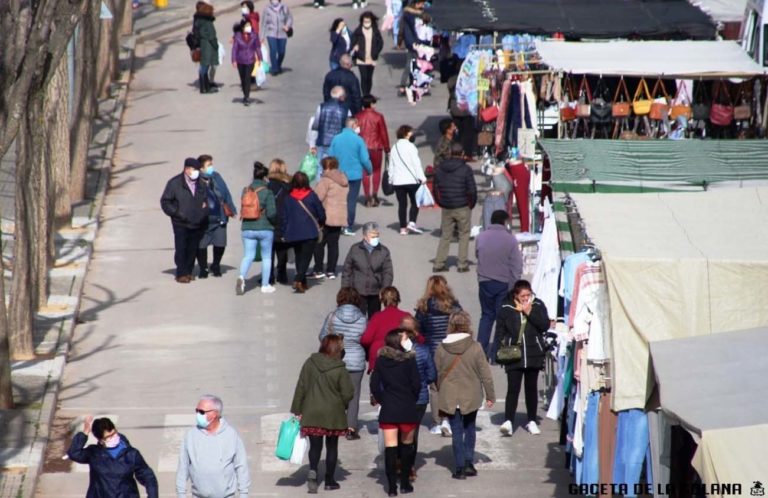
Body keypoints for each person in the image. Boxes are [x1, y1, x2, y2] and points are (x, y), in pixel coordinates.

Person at [434, 311, 496, 479]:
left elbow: (437, 373)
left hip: (450, 395)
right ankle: (469, 462)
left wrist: (440, 391)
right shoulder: (475, 347)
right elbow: (485, 374)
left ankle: (459, 467)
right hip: (472, 394)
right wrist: (490, 395)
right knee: (470, 428)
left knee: (456, 430)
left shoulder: (441, 347)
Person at [291, 334, 355, 493]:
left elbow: (301, 387)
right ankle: (330, 480)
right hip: (333, 414)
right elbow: (348, 393)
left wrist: (297, 409)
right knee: (332, 446)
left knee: (315, 446)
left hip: (312, 412)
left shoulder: (310, 363)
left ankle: (313, 473)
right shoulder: (340, 368)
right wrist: (342, 404)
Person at [494, 280, 550, 436]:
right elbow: (499, 331)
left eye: (528, 295)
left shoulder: (538, 305)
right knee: (513, 388)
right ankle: (508, 421)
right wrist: (497, 351)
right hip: (513, 355)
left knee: (531, 388)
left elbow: (544, 325)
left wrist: (529, 312)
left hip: (533, 354)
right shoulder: (506, 308)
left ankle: (531, 420)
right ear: (515, 296)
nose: (526, 298)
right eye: (523, 295)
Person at [370, 330, 421, 496]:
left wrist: (382, 399)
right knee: (407, 446)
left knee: (390, 448)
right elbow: (417, 384)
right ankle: (405, 483)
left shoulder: (381, 361)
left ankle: (391, 487)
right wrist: (411, 398)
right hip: (407, 407)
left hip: (389, 407)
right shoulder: (410, 360)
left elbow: (374, 384)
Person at [176, 395, 251, 498]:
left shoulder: (231, 435)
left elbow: (241, 466)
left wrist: (243, 494)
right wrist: (181, 494)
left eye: (202, 412)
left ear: (214, 414)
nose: (198, 414)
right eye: (196, 410)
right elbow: (183, 467)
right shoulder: (190, 435)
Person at [415, 275, 462, 436]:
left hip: (432, 349)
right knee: (451, 384)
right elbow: (461, 324)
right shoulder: (454, 305)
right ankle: (450, 418)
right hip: (451, 348)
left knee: (435, 387)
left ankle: (437, 421)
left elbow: (418, 330)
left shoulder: (424, 307)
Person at [318, 287, 368, 440]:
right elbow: (366, 339)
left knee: (334, 392)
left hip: (335, 361)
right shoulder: (362, 319)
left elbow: (322, 337)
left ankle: (333, 424)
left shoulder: (332, 317)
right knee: (354, 395)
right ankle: (351, 428)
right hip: (356, 362)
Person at [67, 416, 158, 498]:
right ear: (101, 440)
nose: (114, 437)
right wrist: (85, 432)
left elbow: (148, 477)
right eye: (109, 436)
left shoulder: (131, 454)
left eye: (114, 433)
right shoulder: (94, 453)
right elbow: (74, 453)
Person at [476, 210, 523, 356]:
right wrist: (514, 286)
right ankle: (496, 352)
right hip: (503, 283)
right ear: (505, 222)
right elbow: (516, 265)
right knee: (501, 319)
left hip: (484, 281)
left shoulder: (480, 237)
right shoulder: (510, 239)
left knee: (486, 316)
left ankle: (480, 351)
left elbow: (477, 255)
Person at [161, 158, 210, 284]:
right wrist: (177, 213)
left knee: (192, 248)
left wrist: (203, 212)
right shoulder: (174, 183)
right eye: (194, 170)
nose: (197, 172)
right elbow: (165, 201)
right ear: (187, 169)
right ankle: (181, 273)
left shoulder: (201, 183)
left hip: (196, 221)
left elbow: (206, 200)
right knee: (181, 247)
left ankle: (188, 271)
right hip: (180, 222)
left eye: (198, 170)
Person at [400, 316, 436, 482]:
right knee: (412, 434)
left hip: (399, 398)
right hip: (419, 398)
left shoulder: (393, 350)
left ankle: (399, 462)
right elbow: (431, 375)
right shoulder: (424, 350)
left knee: (399, 431)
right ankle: (410, 466)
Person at [432, 143, 478, 272]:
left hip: (446, 206)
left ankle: (439, 263)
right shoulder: (465, 169)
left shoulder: (440, 168)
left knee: (445, 235)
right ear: (462, 153)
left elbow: (435, 187)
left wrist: (439, 201)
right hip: (462, 205)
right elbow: (472, 190)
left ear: (450, 153)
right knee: (464, 234)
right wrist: (472, 204)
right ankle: (462, 264)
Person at [280, 172, 326, 293]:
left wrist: (284, 232)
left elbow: (284, 217)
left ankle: (302, 282)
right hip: (309, 231)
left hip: (293, 232)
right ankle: (298, 278)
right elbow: (320, 212)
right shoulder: (311, 196)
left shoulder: (288, 197)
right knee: (306, 257)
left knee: (299, 256)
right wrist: (321, 222)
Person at [237, 162, 277, 295]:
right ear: (265, 177)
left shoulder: (245, 190)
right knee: (266, 257)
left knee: (248, 256)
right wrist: (275, 223)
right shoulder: (268, 192)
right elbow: (272, 213)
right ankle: (265, 285)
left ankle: (241, 277)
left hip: (247, 228)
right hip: (265, 228)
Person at [328, 118, 372, 234]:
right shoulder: (358, 140)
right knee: (351, 200)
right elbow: (364, 159)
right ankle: (348, 226)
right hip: (354, 175)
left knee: (339, 200)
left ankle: (337, 224)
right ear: (354, 126)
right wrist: (369, 170)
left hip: (338, 175)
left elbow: (330, 156)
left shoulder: (336, 139)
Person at [341, 222, 394, 318]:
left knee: (374, 320)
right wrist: (345, 290)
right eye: (372, 236)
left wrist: (384, 290)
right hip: (357, 292)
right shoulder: (355, 249)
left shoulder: (384, 251)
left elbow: (388, 272)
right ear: (365, 236)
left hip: (375, 293)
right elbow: (347, 270)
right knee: (357, 318)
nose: (376, 238)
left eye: (377, 235)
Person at [197, 154, 236, 279]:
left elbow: (226, 192)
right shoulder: (197, 181)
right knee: (201, 245)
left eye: (211, 164)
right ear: (201, 168)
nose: (211, 167)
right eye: (209, 165)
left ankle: (216, 265)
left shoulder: (217, 177)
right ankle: (203, 268)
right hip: (204, 219)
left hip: (219, 217)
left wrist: (231, 208)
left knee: (220, 243)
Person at [311, 157, 349, 279]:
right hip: (339, 216)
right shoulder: (343, 180)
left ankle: (318, 269)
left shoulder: (326, 180)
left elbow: (317, 198)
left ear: (326, 167)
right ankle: (331, 270)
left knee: (319, 244)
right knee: (334, 244)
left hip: (326, 217)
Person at [387, 125, 426, 235]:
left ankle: (402, 228)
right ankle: (412, 222)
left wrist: (391, 179)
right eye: (411, 133)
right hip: (412, 180)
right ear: (405, 134)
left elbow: (391, 165)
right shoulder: (411, 147)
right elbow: (416, 164)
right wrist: (422, 178)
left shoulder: (395, 147)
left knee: (402, 205)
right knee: (415, 202)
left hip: (398, 182)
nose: (413, 134)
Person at [360, 286, 410, 372]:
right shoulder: (405, 316)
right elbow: (417, 337)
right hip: (400, 356)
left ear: (382, 300)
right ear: (397, 299)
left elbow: (366, 339)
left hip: (379, 357)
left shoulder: (377, 317)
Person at [356, 95, 390, 207]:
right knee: (376, 171)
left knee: (364, 173)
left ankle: (367, 197)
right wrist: (387, 148)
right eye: (374, 103)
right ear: (370, 104)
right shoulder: (378, 117)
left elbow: (355, 133)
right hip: (376, 147)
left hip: (362, 148)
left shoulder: (357, 116)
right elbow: (383, 133)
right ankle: (375, 194)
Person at [267, 159, 291, 285]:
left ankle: (269, 275)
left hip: (269, 220)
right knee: (282, 249)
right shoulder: (288, 185)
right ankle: (282, 274)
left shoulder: (268, 185)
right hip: (284, 221)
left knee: (269, 250)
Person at [350, 11, 384, 97]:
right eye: (365, 21)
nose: (366, 23)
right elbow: (352, 42)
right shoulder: (358, 31)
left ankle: (368, 93)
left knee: (369, 77)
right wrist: (355, 47)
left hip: (372, 58)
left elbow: (380, 43)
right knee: (364, 77)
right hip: (361, 59)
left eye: (368, 21)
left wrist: (376, 52)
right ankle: (365, 94)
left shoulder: (375, 31)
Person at [397, 0, 426, 96]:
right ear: (416, 4)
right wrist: (400, 41)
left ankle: (410, 85)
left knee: (413, 65)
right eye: (421, 3)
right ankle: (405, 85)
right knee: (413, 64)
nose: (423, 5)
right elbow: (402, 29)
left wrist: (400, 41)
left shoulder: (407, 14)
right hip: (415, 42)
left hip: (413, 42)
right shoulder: (412, 15)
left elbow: (401, 29)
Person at [313, 86, 350, 161]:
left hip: (323, 142)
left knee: (320, 166)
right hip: (339, 143)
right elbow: (349, 128)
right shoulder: (346, 109)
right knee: (336, 166)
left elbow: (316, 125)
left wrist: (313, 143)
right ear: (341, 97)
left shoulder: (321, 107)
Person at [231, 20, 262, 106]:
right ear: (242, 27)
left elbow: (257, 47)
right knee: (243, 79)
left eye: (250, 26)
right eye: (247, 26)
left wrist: (260, 58)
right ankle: (245, 93)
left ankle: (246, 97)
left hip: (250, 60)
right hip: (240, 60)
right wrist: (234, 60)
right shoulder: (237, 36)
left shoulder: (254, 35)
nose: (249, 27)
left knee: (247, 78)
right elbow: (234, 49)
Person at [193, 1, 219, 94]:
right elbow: (212, 36)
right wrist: (216, 45)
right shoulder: (208, 23)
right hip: (208, 47)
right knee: (205, 66)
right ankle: (205, 88)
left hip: (202, 45)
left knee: (203, 67)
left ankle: (203, 87)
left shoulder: (199, 21)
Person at [261, 0, 293, 76]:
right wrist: (262, 36)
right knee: (273, 50)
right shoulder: (267, 9)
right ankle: (274, 68)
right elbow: (264, 23)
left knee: (282, 52)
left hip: (282, 33)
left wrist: (287, 26)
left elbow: (290, 18)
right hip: (271, 33)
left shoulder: (284, 8)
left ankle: (278, 65)